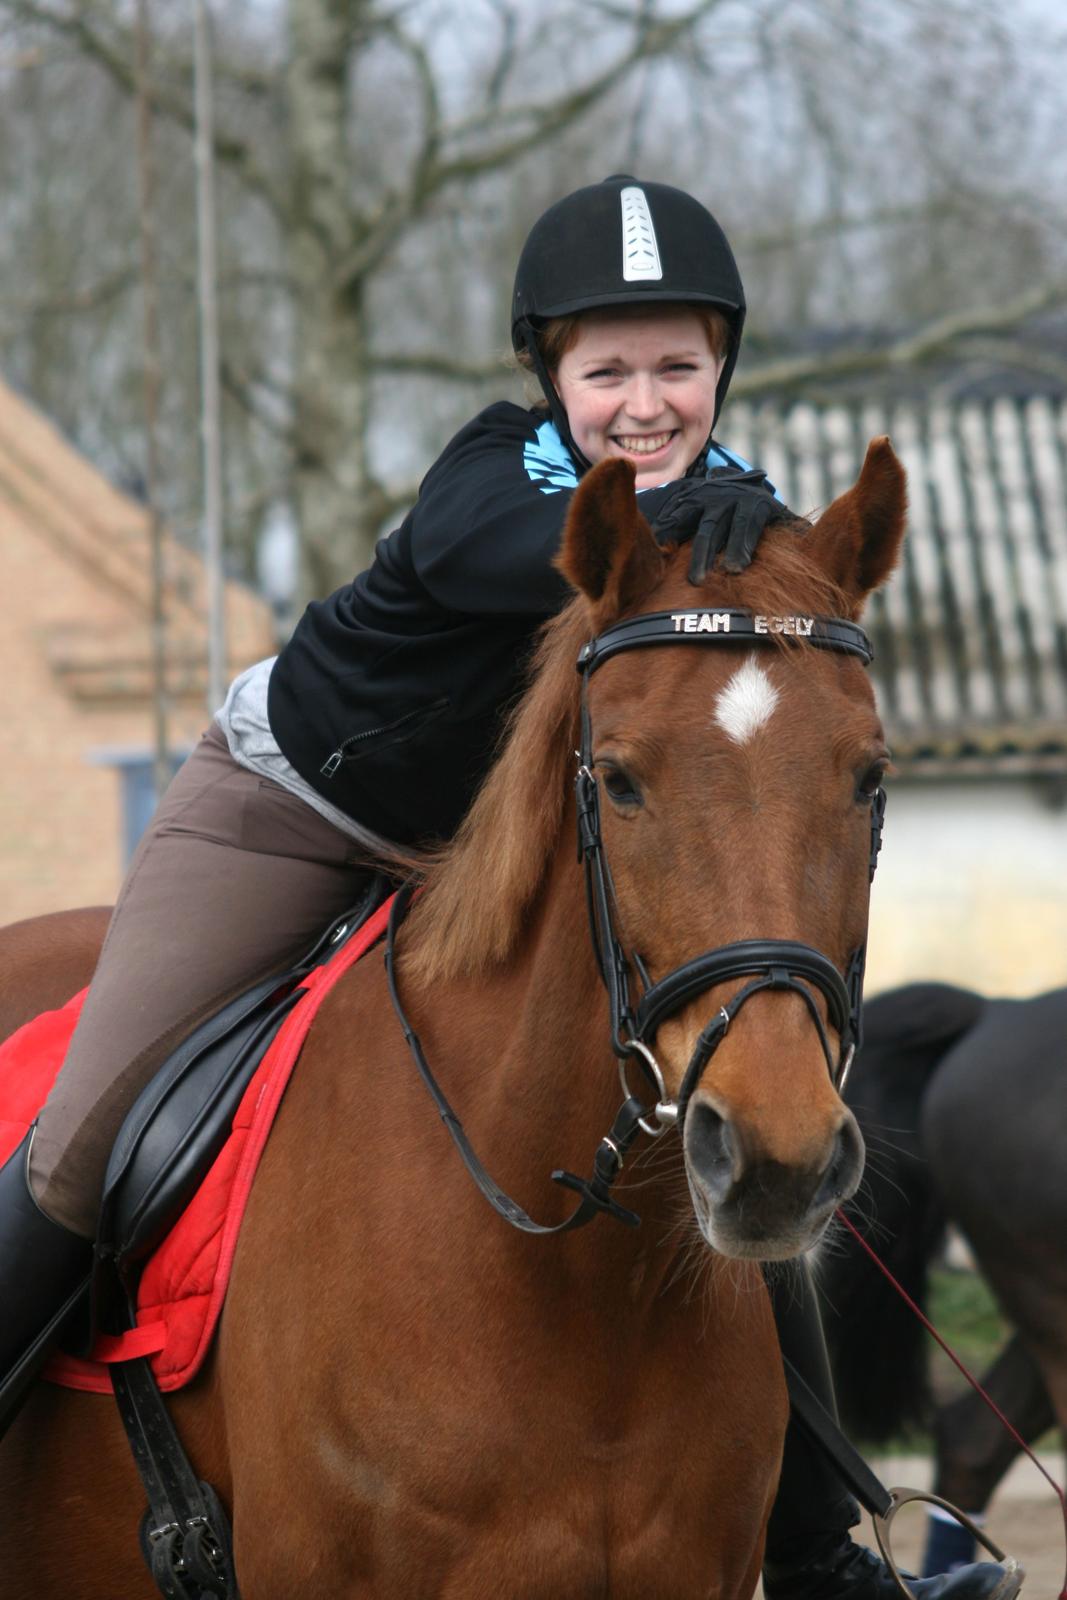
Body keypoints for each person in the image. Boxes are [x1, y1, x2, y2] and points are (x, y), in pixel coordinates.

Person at [0, 176, 1015, 1600]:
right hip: (290, 817)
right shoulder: (496, 478)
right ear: (551, 377)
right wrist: (689, 505)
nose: (646, 402)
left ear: (721, 369)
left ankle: (820, 1551)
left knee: (730, 1138)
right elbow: (517, 548)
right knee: (88, 1138)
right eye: (608, 371)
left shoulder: (745, 526)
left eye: (679, 367)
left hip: (518, 856)